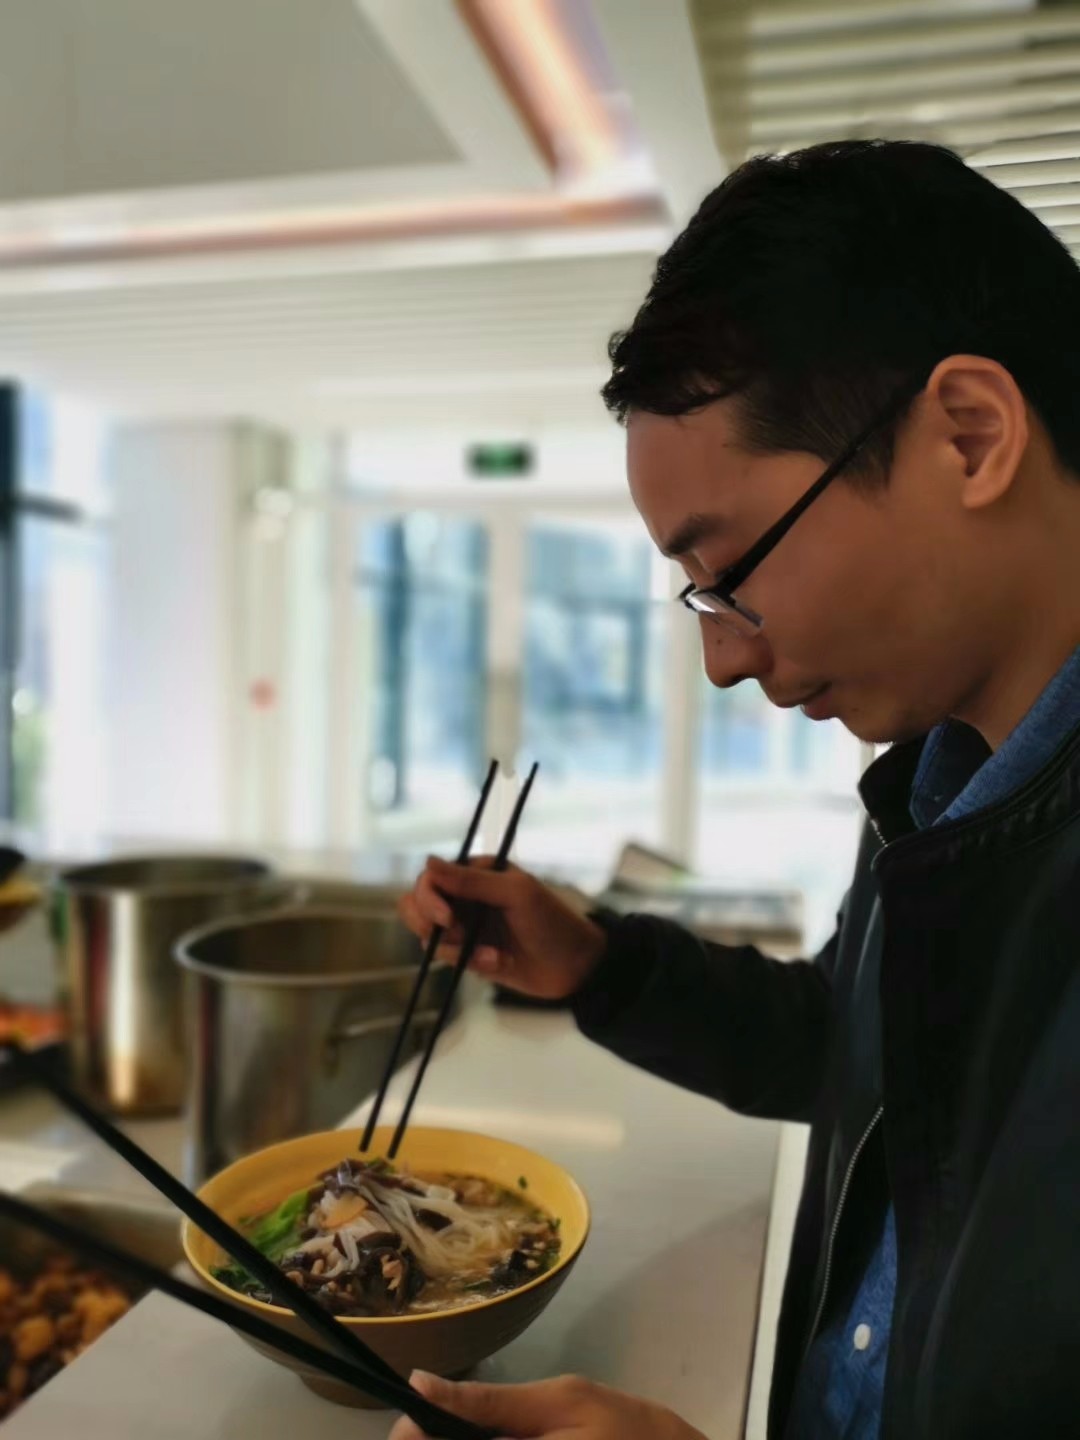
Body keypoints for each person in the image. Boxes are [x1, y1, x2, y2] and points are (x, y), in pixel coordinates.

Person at [391, 140, 1080, 1440]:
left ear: (971, 436)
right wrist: (599, 967)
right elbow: (859, 1050)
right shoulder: (944, 790)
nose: (723, 658)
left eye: (731, 570)